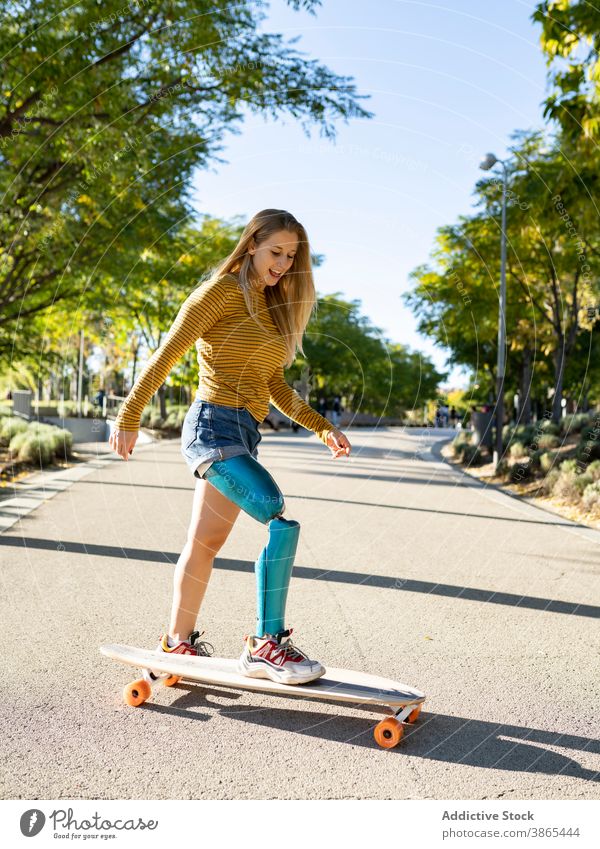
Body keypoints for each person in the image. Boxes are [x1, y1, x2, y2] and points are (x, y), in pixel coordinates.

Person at [109, 209, 352, 686]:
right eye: (275, 252)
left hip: (244, 434)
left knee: (205, 543)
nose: (283, 264)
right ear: (251, 245)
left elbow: (274, 385)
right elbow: (167, 353)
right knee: (278, 516)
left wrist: (323, 428)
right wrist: (128, 415)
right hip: (211, 429)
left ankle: (177, 641)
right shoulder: (219, 293)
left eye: (291, 256)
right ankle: (267, 645)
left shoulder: (271, 306)